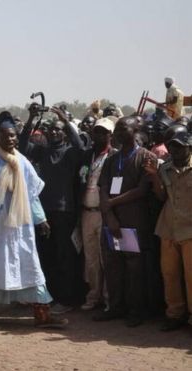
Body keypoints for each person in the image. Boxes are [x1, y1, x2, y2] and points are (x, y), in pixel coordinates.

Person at [0, 113, 67, 330]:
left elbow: (31, 194)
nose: (11, 140)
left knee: (29, 264)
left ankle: (42, 314)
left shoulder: (22, 162)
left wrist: (41, 219)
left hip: (21, 228)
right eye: (6, 136)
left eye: (14, 136)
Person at [19, 105, 86, 313]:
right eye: (51, 129)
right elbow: (22, 146)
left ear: (64, 133)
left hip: (65, 212)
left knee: (65, 256)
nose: (54, 132)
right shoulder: (42, 151)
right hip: (44, 212)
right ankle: (49, 296)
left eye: (58, 129)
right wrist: (30, 118)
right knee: (46, 256)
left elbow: (82, 148)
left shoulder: (71, 153)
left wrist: (64, 119)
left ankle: (66, 300)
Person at [95, 116, 157, 327]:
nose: (120, 133)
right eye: (118, 130)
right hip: (112, 222)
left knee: (134, 268)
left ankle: (135, 311)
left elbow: (142, 190)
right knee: (113, 266)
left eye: (124, 129)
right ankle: (115, 307)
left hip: (135, 222)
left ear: (136, 129)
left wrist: (111, 203)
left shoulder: (147, 157)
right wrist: (109, 215)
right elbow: (102, 187)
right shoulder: (112, 159)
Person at [145, 125, 192, 332]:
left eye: (180, 148)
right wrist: (155, 176)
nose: (175, 151)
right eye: (172, 147)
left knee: (191, 276)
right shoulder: (165, 168)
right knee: (170, 274)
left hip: (189, 229)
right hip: (168, 228)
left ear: (189, 148)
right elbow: (161, 196)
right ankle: (175, 314)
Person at [79, 118, 117, 311]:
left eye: (104, 132)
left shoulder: (114, 156)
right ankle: (93, 296)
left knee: (106, 257)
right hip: (87, 212)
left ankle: (109, 299)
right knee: (91, 258)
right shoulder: (88, 155)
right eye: (97, 132)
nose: (99, 135)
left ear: (111, 135)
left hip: (104, 213)